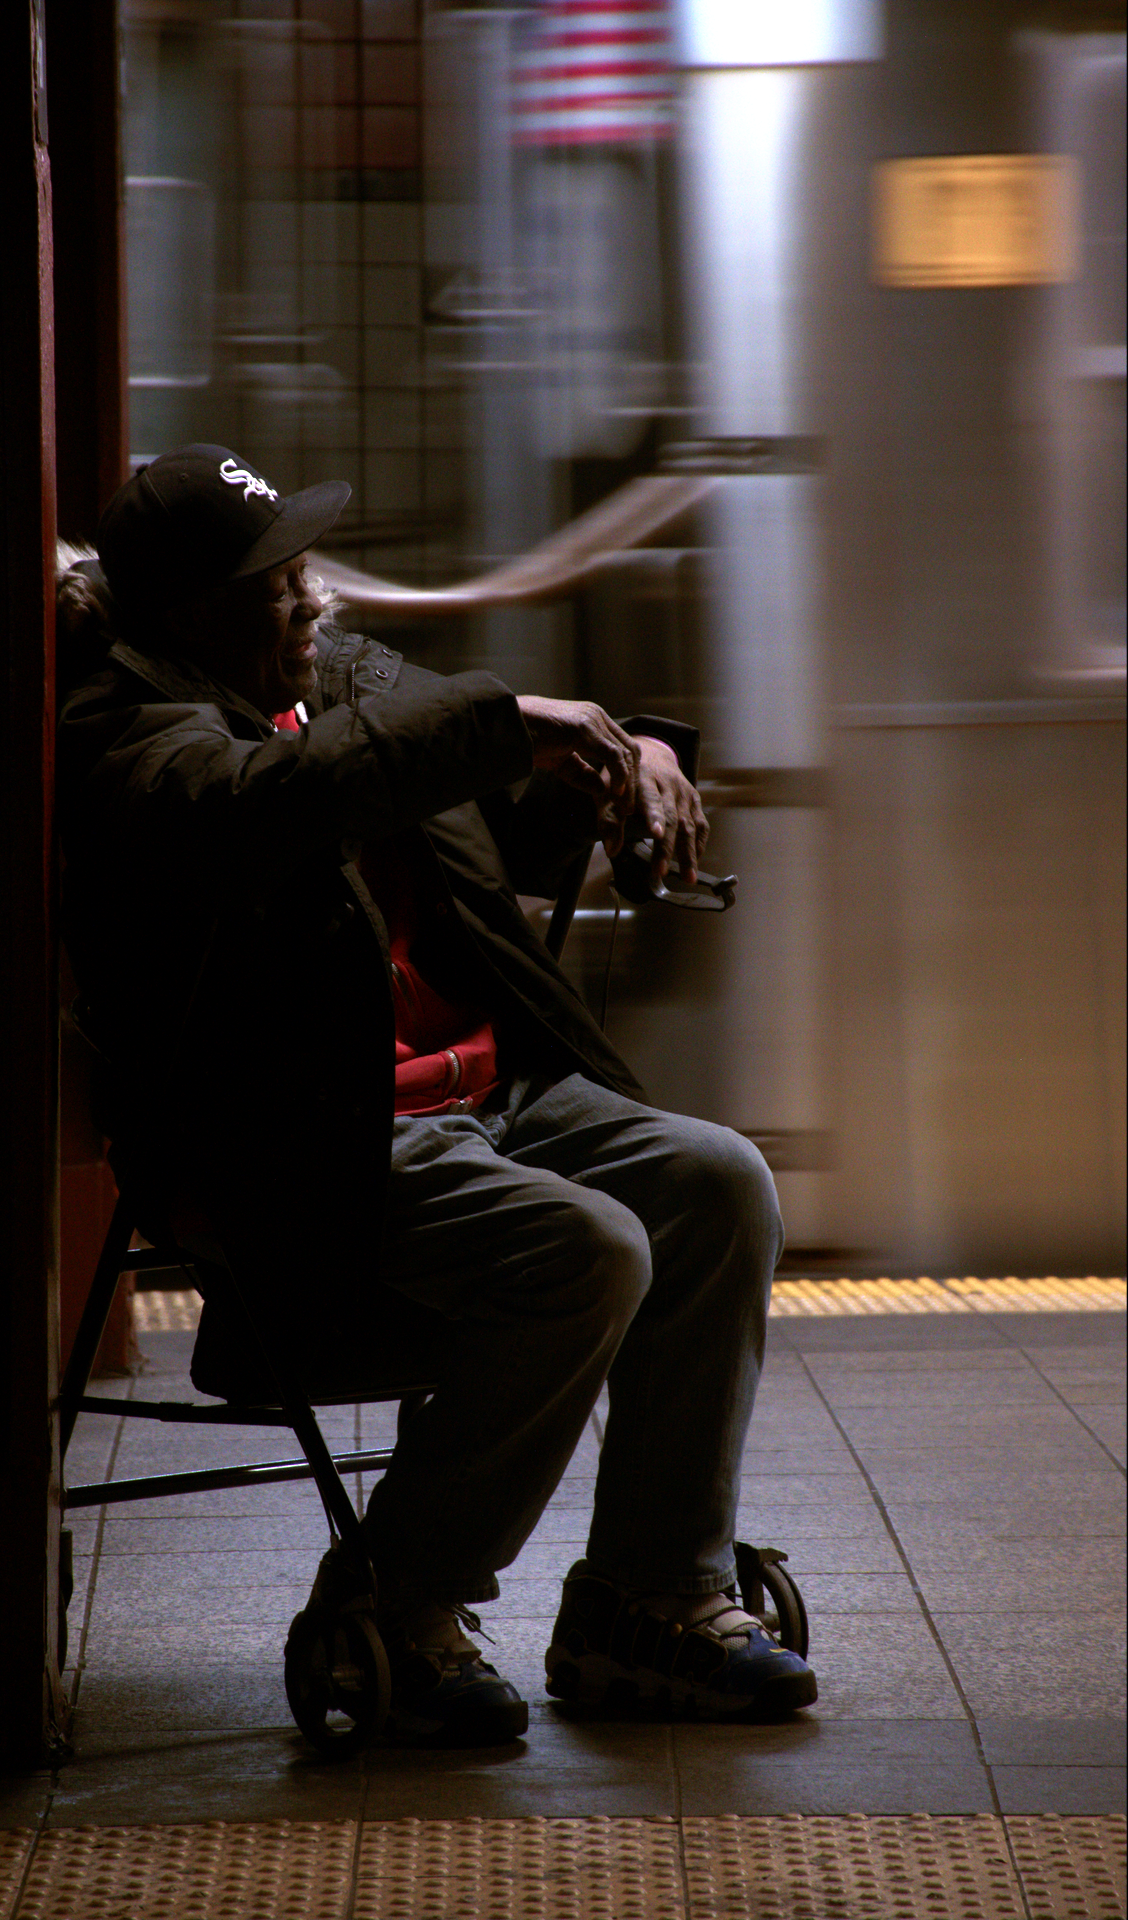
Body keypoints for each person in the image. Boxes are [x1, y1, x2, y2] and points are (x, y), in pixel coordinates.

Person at [56, 444, 817, 1747]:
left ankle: (650, 1595)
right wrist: (503, 721)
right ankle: (397, 1601)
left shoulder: (339, 677)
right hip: (313, 1142)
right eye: (275, 579)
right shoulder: (132, 737)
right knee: (584, 1246)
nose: (314, 599)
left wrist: (625, 758)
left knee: (716, 1180)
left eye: (306, 567)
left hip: (487, 1096)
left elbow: (477, 764)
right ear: (190, 615)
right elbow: (286, 799)